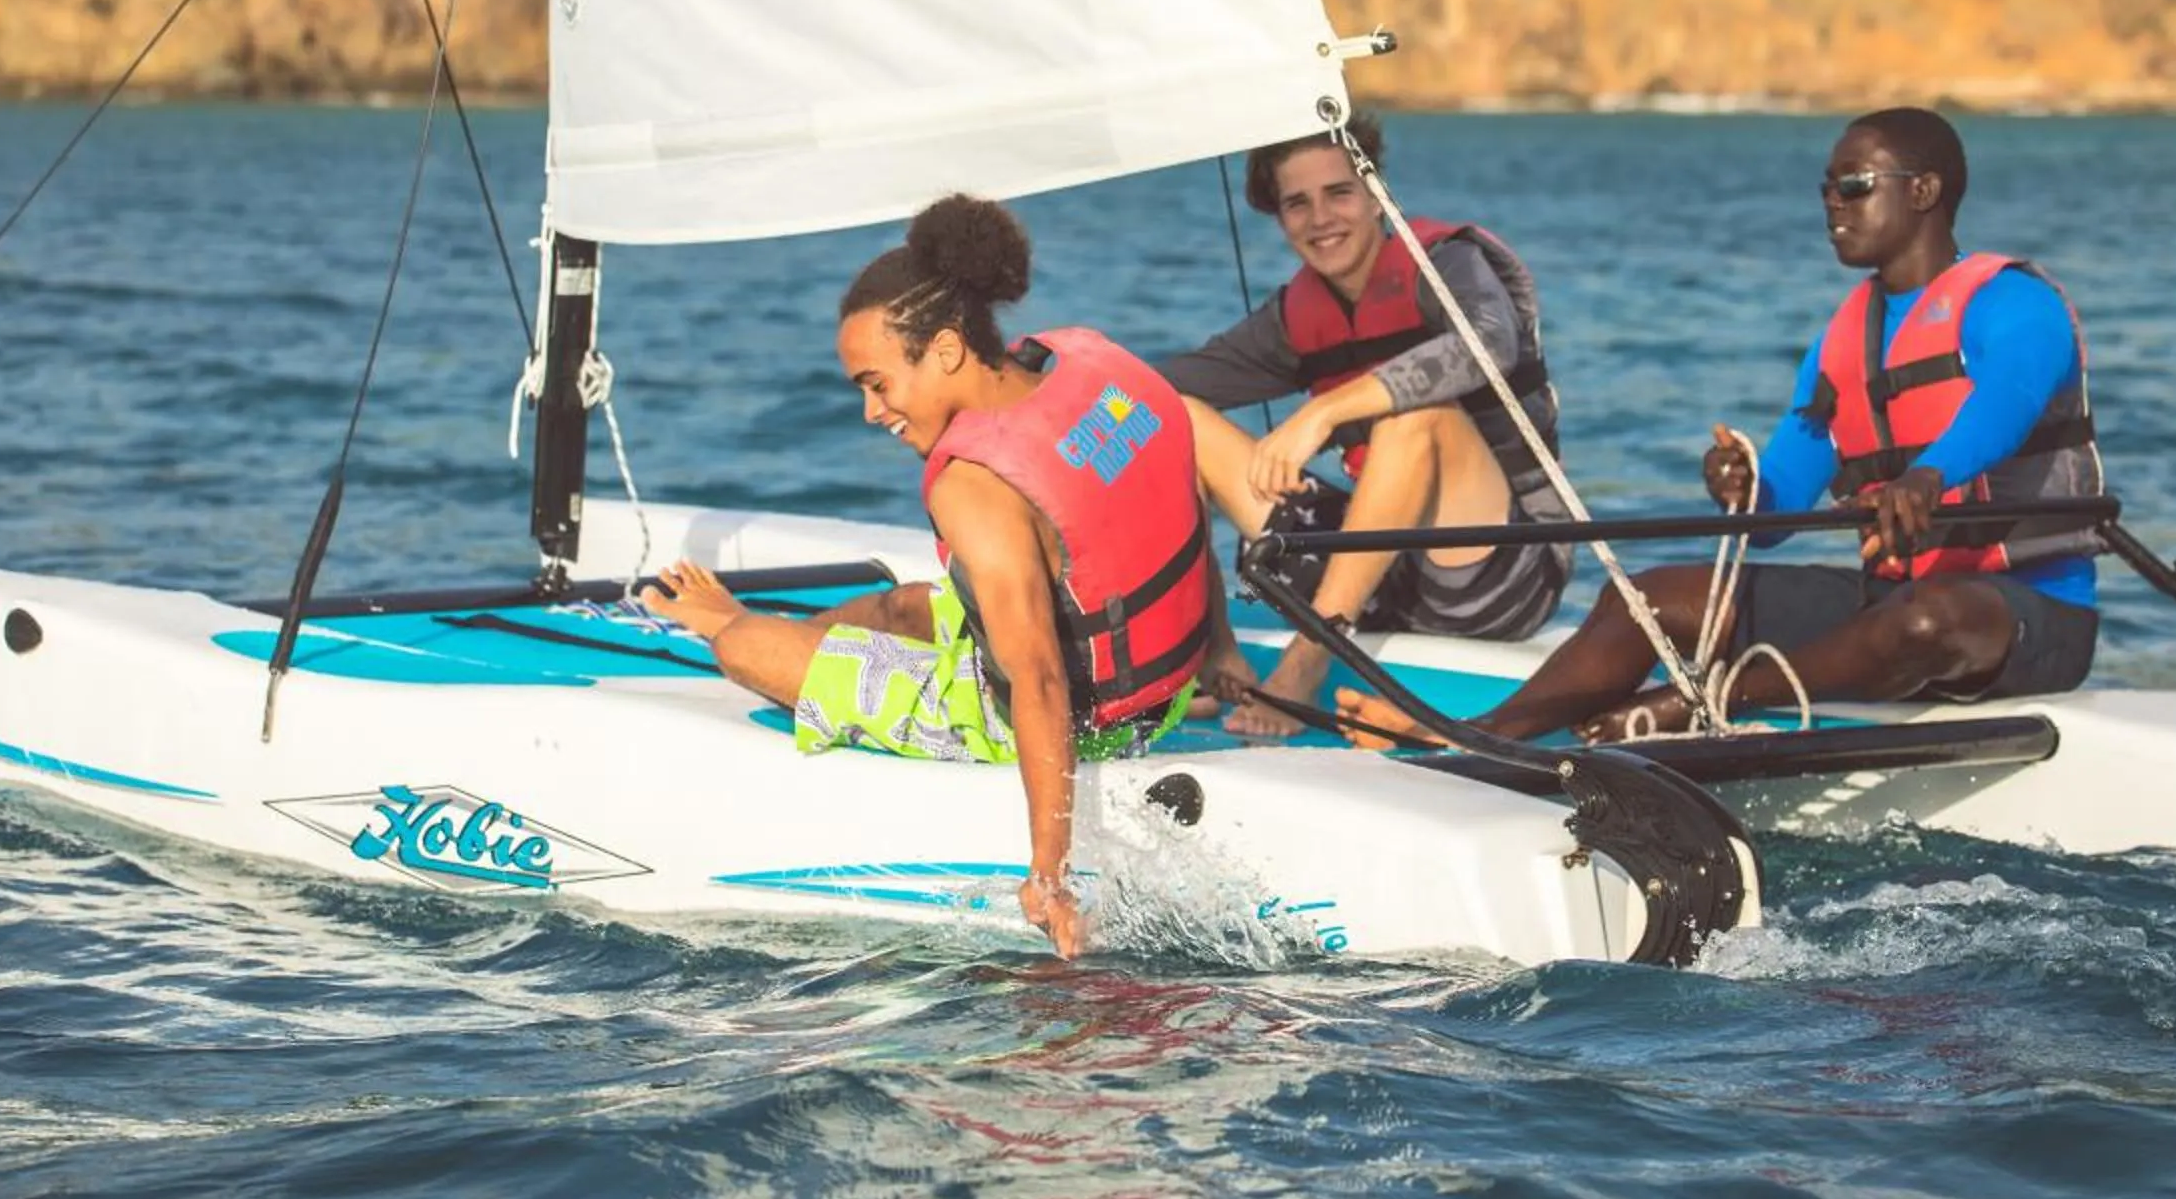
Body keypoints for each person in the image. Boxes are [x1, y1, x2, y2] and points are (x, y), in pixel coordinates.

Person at [1341, 107, 2102, 749]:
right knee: (1652, 597)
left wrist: (1929, 475)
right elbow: (1772, 519)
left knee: (1929, 618)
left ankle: (1705, 703)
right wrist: (1744, 487)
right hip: (1888, 604)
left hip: (2026, 614)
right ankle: (1482, 734)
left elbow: (2006, 404)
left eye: (1853, 186)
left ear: (1926, 191)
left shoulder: (2014, 303)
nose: (1832, 205)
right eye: (1825, 190)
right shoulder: (1845, 341)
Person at [639, 194, 1212, 958]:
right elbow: (1170, 500)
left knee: (744, 646)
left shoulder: (971, 484)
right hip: (1162, 693)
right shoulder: (1090, 364)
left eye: (878, 383)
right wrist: (1227, 655)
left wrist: (1050, 875)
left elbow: (1038, 675)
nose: (874, 412)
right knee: (910, 606)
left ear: (944, 351)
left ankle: (724, 618)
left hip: (1063, 722)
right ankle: (823, 638)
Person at [1158, 113, 1573, 739]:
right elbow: (1158, 387)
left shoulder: (1449, 265)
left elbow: (1489, 345)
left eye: (1339, 193)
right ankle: (1213, 651)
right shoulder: (1295, 317)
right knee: (1176, 417)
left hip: (1501, 573)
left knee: (1415, 420)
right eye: (1297, 204)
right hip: (1386, 582)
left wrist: (1321, 413)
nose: (1321, 218)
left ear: (1376, 192)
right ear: (1279, 218)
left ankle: (1307, 660)